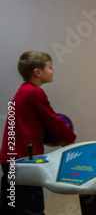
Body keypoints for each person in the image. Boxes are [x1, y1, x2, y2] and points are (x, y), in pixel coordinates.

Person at [0, 51, 77, 215]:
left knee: (12, 208)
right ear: (38, 72)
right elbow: (53, 120)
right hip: (24, 161)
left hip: (11, 159)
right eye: (50, 67)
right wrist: (70, 136)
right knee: (31, 209)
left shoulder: (23, 91)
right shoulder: (35, 93)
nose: (53, 71)